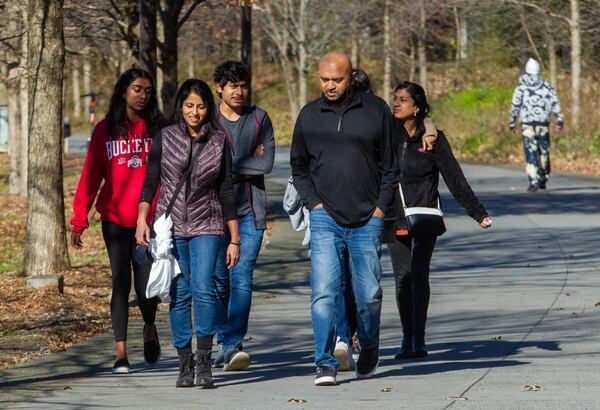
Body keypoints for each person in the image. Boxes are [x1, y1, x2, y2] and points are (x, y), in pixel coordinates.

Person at [290, 51, 396, 386]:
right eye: (324, 79)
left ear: (351, 77)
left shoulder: (376, 110)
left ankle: (369, 343)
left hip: (367, 219)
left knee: (370, 295)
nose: (330, 85)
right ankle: (323, 362)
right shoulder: (309, 115)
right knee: (324, 291)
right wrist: (314, 205)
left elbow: (390, 167)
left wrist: (380, 210)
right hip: (325, 218)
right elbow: (299, 167)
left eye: (337, 79)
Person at [136, 79, 240, 389]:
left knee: (205, 289)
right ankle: (185, 363)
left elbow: (227, 191)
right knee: (180, 295)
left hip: (208, 224)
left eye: (201, 106)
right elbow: (150, 182)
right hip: (171, 228)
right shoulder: (165, 138)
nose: (195, 112)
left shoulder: (219, 143)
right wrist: (142, 220)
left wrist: (234, 238)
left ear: (209, 109)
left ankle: (205, 360)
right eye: (189, 106)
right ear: (181, 106)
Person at [70, 68, 165, 374]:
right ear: (124, 91)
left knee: (146, 286)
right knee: (120, 283)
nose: (143, 95)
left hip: (148, 221)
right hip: (113, 219)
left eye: (148, 90)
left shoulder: (159, 129)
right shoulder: (105, 130)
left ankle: (149, 325)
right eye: (137, 89)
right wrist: (78, 219)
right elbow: (90, 176)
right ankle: (120, 354)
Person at [389, 81, 493, 360]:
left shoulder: (434, 139)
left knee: (419, 274)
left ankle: (419, 338)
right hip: (395, 215)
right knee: (403, 277)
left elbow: (454, 177)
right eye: (395, 98)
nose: (396, 103)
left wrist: (477, 211)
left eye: (402, 100)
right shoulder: (386, 135)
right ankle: (406, 337)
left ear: (417, 107)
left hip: (424, 215)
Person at [211, 61, 275, 371]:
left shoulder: (260, 119)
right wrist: (246, 161)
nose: (239, 91)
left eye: (243, 85)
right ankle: (224, 340)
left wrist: (226, 166)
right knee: (218, 281)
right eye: (232, 85)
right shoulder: (207, 120)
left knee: (242, 278)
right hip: (212, 214)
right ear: (219, 88)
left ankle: (234, 343)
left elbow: (267, 165)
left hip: (250, 212)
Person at [510, 58, 564, 192]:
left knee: (530, 152)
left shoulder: (521, 88)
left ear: (526, 71)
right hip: (543, 124)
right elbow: (555, 103)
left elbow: (515, 106)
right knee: (544, 151)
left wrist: (512, 123)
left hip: (527, 125)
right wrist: (559, 120)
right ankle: (544, 177)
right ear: (539, 71)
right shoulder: (547, 86)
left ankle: (534, 181)